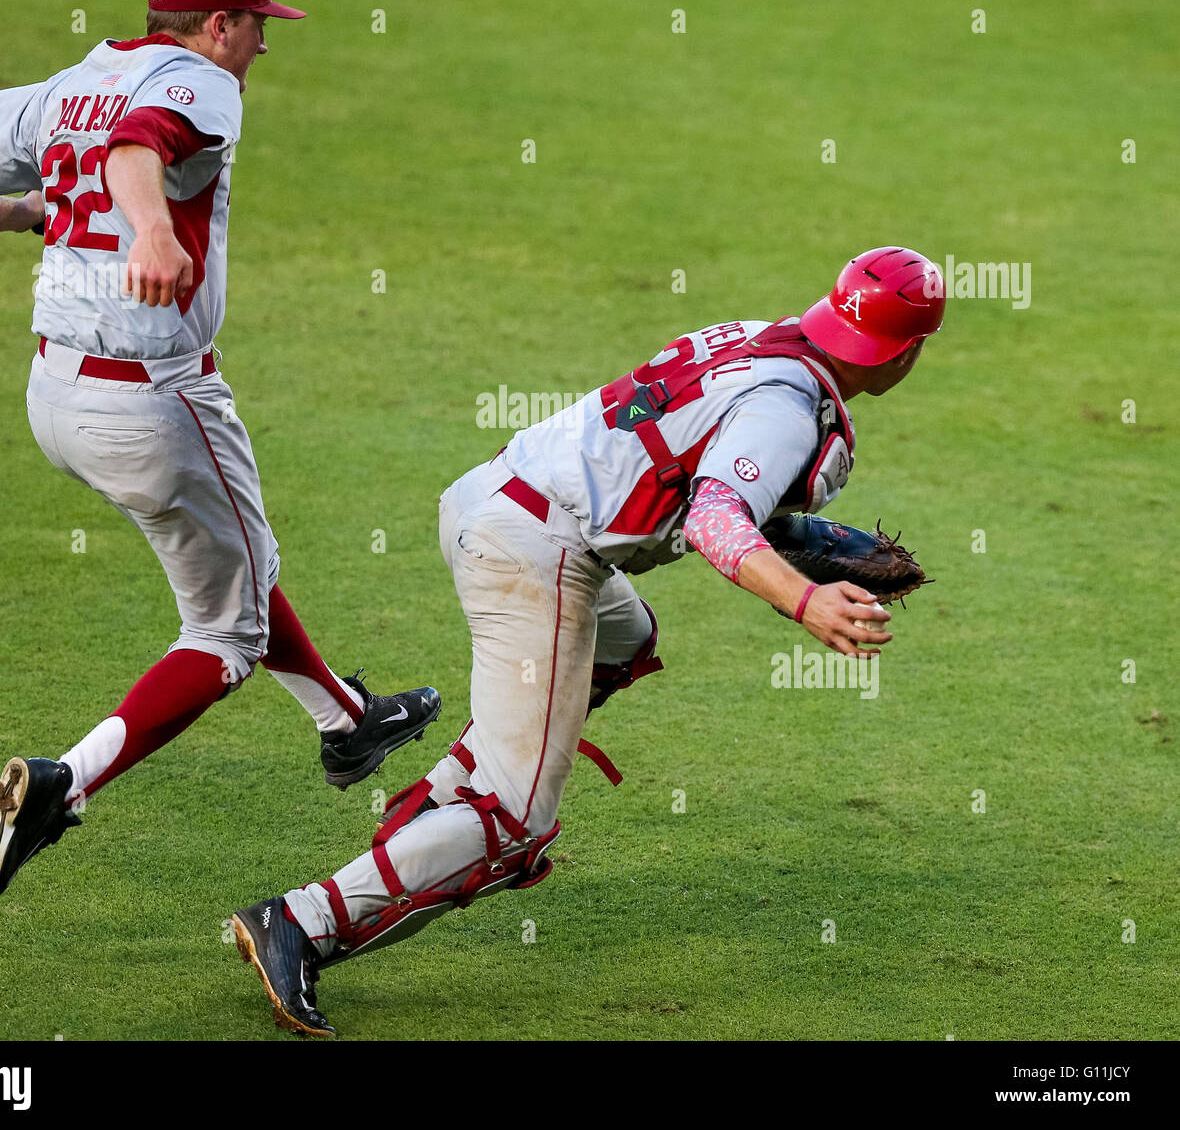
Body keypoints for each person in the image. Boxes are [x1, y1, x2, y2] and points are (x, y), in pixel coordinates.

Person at [228, 245, 945, 1036]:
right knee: (516, 826)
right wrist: (805, 601)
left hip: (499, 495)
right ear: (907, 353)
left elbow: (697, 473)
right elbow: (712, 520)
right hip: (536, 551)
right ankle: (301, 922)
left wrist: (795, 538)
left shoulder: (761, 337)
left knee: (624, 637)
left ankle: (444, 802)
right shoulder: (785, 410)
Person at [0, 0, 441, 906]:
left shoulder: (65, 84)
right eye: (256, 29)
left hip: (54, 400)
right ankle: (64, 787)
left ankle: (346, 719)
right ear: (218, 26)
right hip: (153, 403)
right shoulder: (200, 83)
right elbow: (136, 147)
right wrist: (149, 229)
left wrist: (53, 217)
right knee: (223, 634)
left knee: (232, 558)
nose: (261, 50)